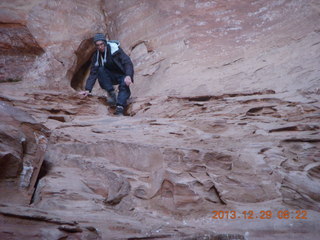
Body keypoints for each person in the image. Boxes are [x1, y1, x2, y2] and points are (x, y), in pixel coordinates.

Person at [79, 33, 134, 116]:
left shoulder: (115, 50)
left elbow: (127, 63)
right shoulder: (96, 56)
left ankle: (120, 107)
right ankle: (112, 94)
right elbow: (93, 72)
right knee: (100, 70)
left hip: (122, 75)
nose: (100, 47)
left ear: (105, 43)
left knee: (124, 85)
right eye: (97, 45)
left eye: (101, 44)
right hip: (110, 77)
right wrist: (88, 89)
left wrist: (128, 75)